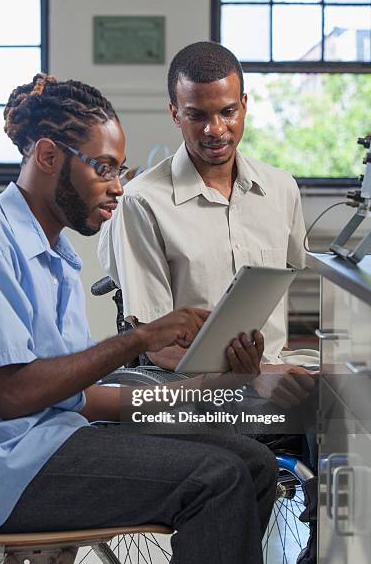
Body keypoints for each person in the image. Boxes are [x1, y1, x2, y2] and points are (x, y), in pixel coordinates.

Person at [0, 74, 278, 564]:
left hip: (53, 441)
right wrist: (141, 339)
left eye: (120, 170)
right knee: (216, 480)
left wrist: (209, 389)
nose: (117, 186)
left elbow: (78, 399)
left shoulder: (57, 254)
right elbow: (14, 396)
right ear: (47, 156)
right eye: (102, 167)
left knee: (253, 465)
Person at [98, 41, 318, 372]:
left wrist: (273, 372)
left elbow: (279, 304)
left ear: (244, 105)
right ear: (175, 113)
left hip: (272, 374)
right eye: (196, 115)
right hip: (192, 388)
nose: (214, 130)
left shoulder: (281, 188)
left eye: (227, 112)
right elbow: (157, 346)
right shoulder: (141, 202)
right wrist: (249, 378)